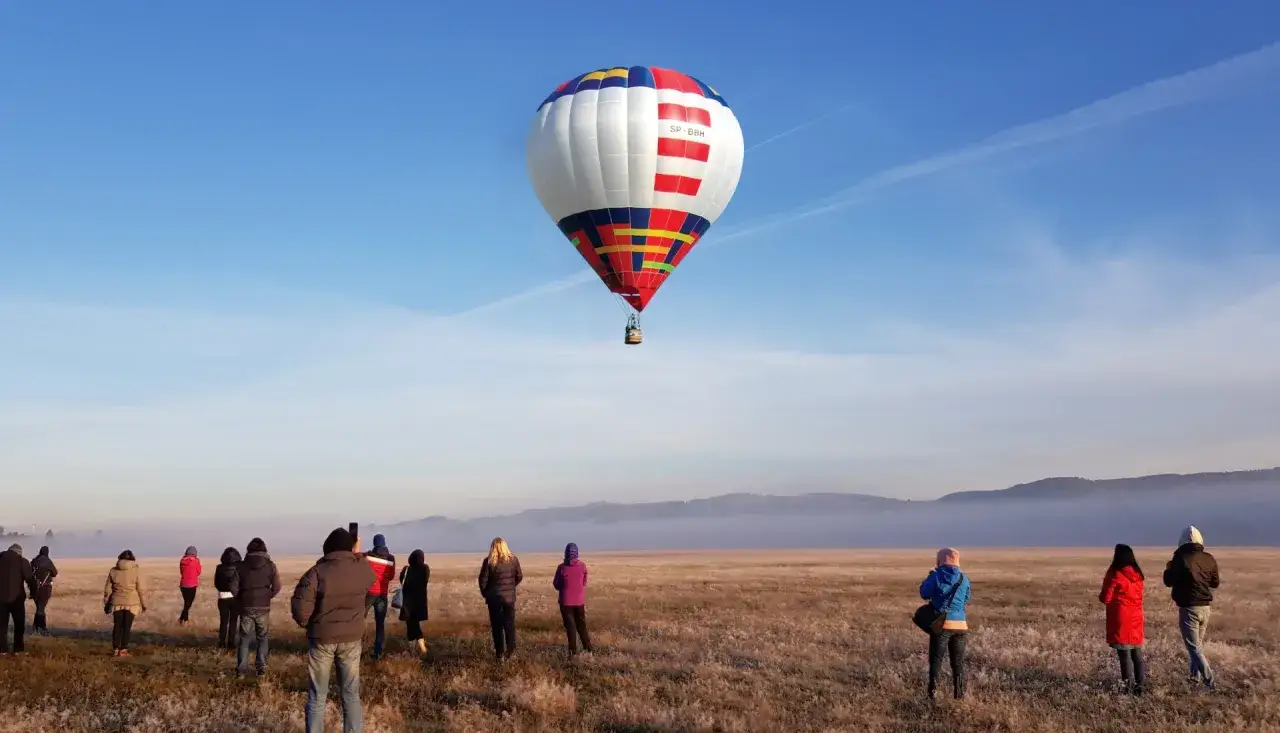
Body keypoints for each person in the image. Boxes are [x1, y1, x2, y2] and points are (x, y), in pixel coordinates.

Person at [291, 527, 375, 733]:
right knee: (351, 694)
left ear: (327, 548)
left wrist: (311, 625)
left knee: (317, 696)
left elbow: (300, 610)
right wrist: (356, 554)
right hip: (352, 639)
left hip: (322, 640)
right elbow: (371, 579)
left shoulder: (316, 573)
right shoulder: (361, 568)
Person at [1164, 525, 1221, 690]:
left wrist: (1169, 568)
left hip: (1189, 608)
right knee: (1197, 647)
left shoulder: (1180, 558)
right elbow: (1215, 583)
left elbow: (1168, 581)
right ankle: (1194, 679)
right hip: (1205, 608)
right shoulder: (1209, 558)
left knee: (1194, 648)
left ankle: (1210, 682)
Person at [919, 547, 971, 700]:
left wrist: (928, 579)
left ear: (940, 559)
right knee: (958, 664)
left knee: (936, 662)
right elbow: (966, 598)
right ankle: (959, 697)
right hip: (961, 625)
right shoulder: (964, 578)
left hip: (941, 625)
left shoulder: (936, 576)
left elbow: (924, 593)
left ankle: (933, 696)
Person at [1099, 544, 1146, 695]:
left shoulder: (1115, 573)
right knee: (1136, 653)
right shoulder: (1137, 574)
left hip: (1122, 618)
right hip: (1136, 617)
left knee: (1124, 655)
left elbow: (1105, 597)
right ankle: (1140, 686)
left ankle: (1128, 688)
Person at [236, 537, 282, 677]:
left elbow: (233, 586)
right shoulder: (270, 565)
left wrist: (241, 598)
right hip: (263, 607)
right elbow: (277, 586)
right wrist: (267, 597)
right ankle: (261, 669)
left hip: (246, 606)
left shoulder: (241, 566)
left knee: (244, 639)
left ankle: (241, 671)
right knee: (262, 637)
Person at [478, 536, 523, 661]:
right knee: (509, 625)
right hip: (509, 599)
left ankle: (500, 654)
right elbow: (519, 576)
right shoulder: (513, 560)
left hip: (494, 600)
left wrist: (487, 594)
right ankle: (511, 652)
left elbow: (482, 581)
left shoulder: (488, 562)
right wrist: (511, 587)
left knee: (497, 627)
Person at [104, 550, 146, 657]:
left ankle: (116, 649)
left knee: (117, 626)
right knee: (127, 626)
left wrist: (107, 602)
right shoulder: (135, 570)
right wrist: (143, 604)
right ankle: (123, 650)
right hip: (131, 603)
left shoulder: (113, 571)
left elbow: (107, 589)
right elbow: (140, 589)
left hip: (116, 602)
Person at [552, 542, 592, 656]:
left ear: (566, 553)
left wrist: (565, 587)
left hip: (566, 603)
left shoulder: (561, 568)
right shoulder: (582, 566)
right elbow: (584, 582)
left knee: (571, 628)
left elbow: (556, 584)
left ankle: (573, 653)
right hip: (579, 602)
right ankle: (588, 650)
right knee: (582, 626)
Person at [363, 534, 396, 661]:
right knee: (380, 624)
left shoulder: (368, 556)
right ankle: (378, 652)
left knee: (359, 619)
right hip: (382, 594)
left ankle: (355, 646)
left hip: (369, 593)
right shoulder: (391, 558)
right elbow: (391, 576)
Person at [0, 544, 36, 655]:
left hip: (0, 599)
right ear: (19, 552)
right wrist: (33, 593)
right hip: (17, 599)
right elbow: (30, 580)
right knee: (19, 625)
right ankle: (18, 649)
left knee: (1, 626)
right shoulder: (22, 561)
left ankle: (2, 650)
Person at [398, 549, 430, 657]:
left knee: (412, 626)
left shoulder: (406, 569)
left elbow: (401, 581)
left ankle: (421, 649)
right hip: (420, 603)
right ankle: (415, 650)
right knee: (413, 625)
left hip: (408, 603)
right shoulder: (425, 569)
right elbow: (425, 580)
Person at [214, 547, 242, 650]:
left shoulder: (219, 568)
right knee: (233, 621)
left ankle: (221, 643)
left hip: (222, 597)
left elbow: (216, 583)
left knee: (223, 621)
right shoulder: (239, 568)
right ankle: (231, 643)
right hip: (236, 597)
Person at [30, 546, 57, 635]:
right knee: (41, 608)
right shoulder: (47, 561)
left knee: (39, 607)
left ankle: (36, 626)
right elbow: (55, 573)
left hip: (34, 588)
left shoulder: (34, 560)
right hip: (45, 588)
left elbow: (30, 572)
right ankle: (41, 627)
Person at [179, 546, 202, 625]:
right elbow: (199, 572)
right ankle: (185, 620)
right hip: (192, 585)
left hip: (183, 585)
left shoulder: (182, 560)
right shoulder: (196, 561)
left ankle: (181, 620)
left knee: (187, 603)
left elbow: (181, 572)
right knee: (188, 604)